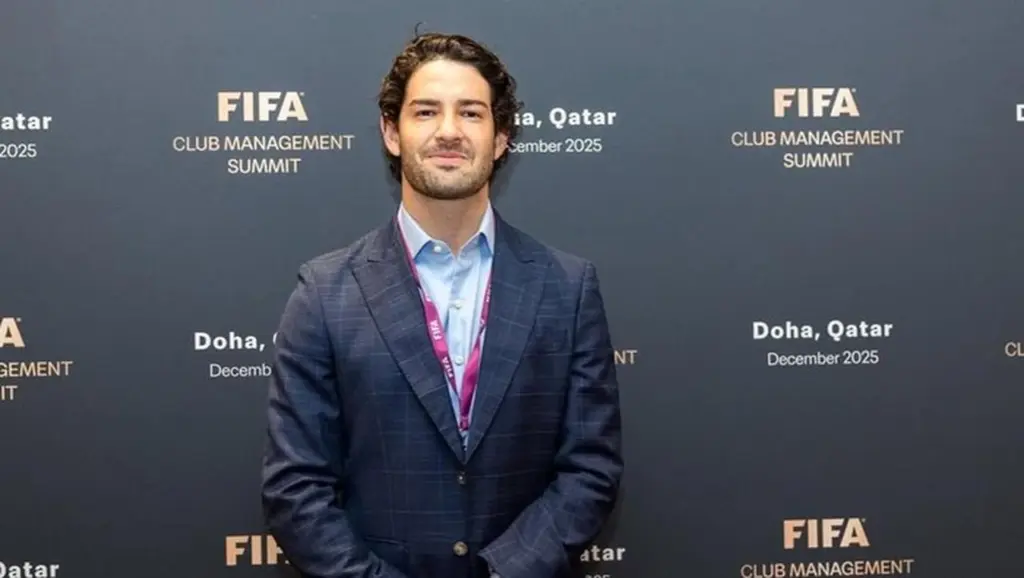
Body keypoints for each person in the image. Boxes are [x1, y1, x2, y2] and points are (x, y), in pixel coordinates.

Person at [261, 31, 623, 578]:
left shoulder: (567, 288)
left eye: (471, 113)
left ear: (501, 137)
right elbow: (296, 486)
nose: (449, 130)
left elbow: (590, 469)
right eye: (426, 111)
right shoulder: (324, 291)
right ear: (391, 132)